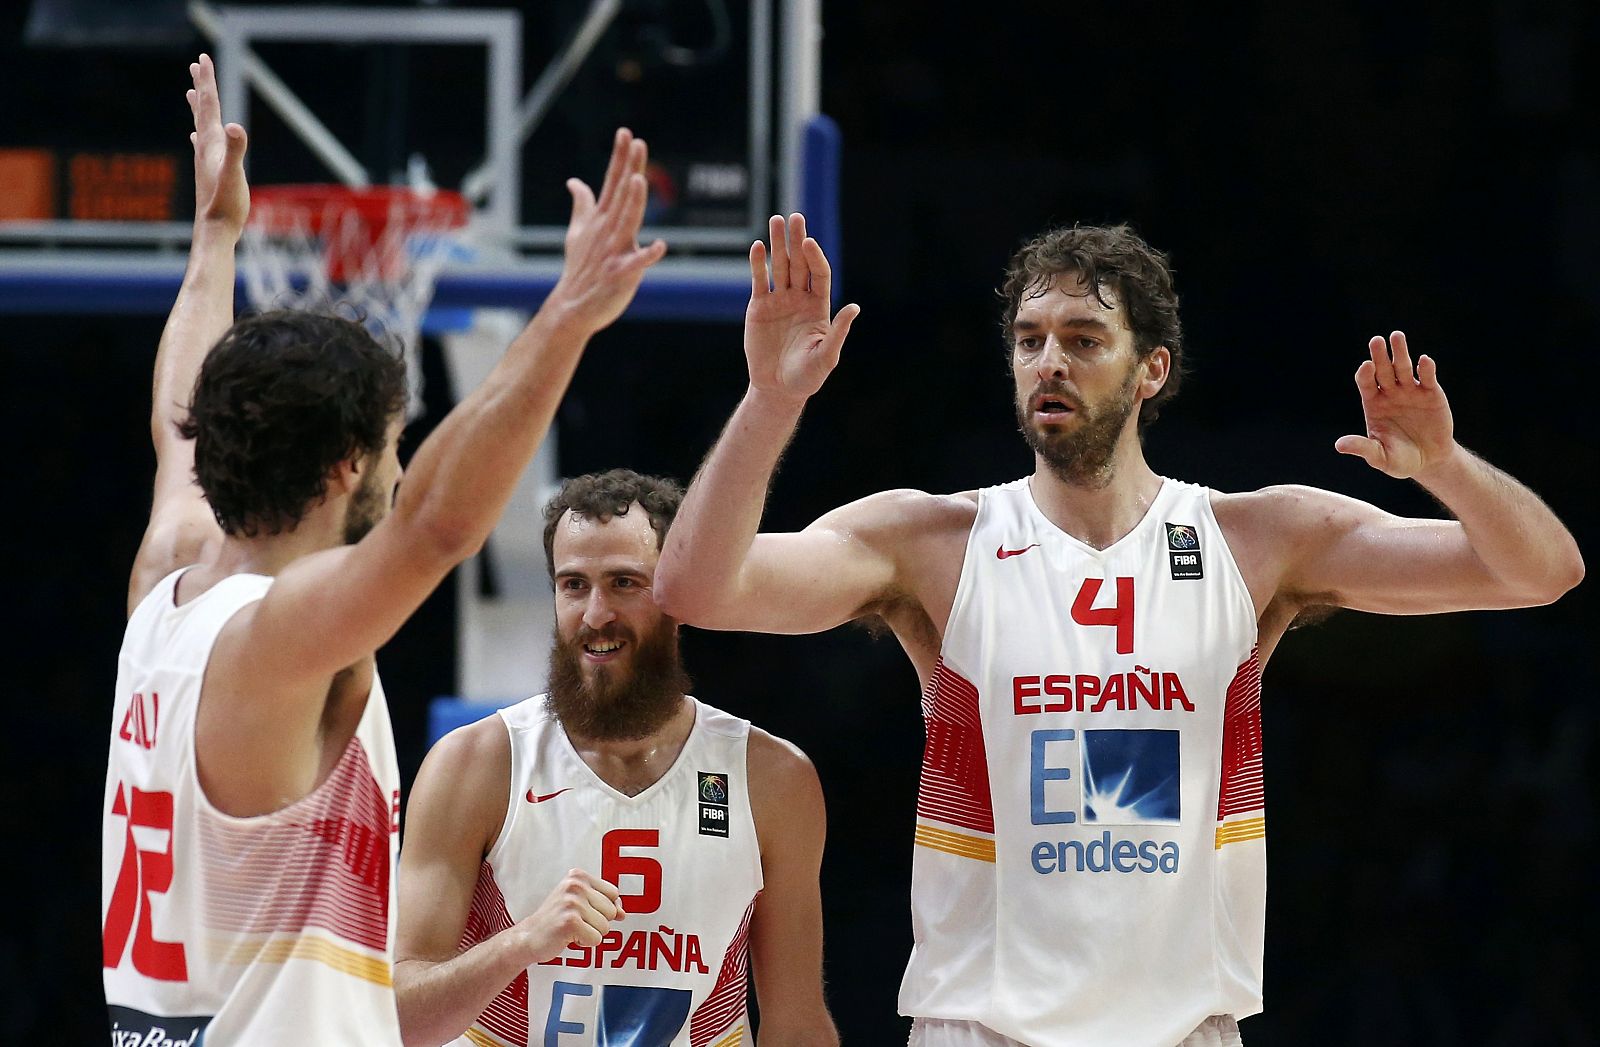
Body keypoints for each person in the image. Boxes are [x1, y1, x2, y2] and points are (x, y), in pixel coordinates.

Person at [652, 215, 1585, 1047]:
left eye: (1082, 339)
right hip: (981, 1024)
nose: (1047, 361)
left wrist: (1448, 465)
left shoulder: (1256, 538)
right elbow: (697, 587)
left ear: (1152, 369)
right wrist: (772, 401)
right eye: (1028, 340)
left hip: (1184, 1026)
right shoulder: (934, 541)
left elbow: (1542, 573)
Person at [103, 54, 667, 1045]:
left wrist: (217, 239)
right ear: (341, 470)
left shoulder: (170, 580)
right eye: (395, 451)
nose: (402, 475)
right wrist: (567, 318)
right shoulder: (275, 640)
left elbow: (173, 416)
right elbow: (438, 527)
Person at [393, 469, 837, 1047]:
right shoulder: (474, 765)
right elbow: (398, 1017)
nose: (596, 613)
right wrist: (522, 943)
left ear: (677, 593)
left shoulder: (772, 779)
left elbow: (797, 1024)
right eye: (573, 585)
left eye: (625, 583)